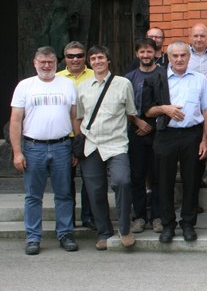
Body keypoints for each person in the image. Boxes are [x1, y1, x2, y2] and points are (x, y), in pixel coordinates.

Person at [142, 41, 207, 243]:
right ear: (169, 57)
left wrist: (204, 140)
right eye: (175, 56)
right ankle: (168, 224)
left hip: (192, 135)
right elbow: (147, 110)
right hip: (166, 135)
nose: (179, 59)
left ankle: (188, 223)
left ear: (189, 57)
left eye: (183, 55)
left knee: (192, 181)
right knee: (164, 181)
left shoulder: (200, 79)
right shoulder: (157, 78)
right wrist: (164, 109)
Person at [10, 46, 78, 255]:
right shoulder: (25, 86)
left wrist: (76, 148)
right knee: (33, 196)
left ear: (56, 63)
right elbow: (15, 120)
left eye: (50, 62)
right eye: (42, 62)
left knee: (65, 193)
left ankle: (65, 234)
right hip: (33, 147)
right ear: (35, 63)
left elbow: (75, 117)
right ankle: (33, 237)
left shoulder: (67, 84)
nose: (46, 65)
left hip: (62, 146)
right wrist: (17, 152)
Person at [76, 45, 137, 250]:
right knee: (95, 191)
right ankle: (103, 232)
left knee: (122, 181)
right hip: (91, 145)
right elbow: (79, 116)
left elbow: (130, 112)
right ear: (89, 62)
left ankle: (125, 229)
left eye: (100, 57)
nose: (97, 61)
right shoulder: (83, 86)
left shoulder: (123, 84)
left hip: (116, 144)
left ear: (108, 60)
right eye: (93, 58)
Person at [124, 38, 165, 234]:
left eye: (149, 51)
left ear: (155, 52)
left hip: (159, 133)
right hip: (136, 133)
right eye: (142, 52)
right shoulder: (129, 78)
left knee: (158, 176)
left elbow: (166, 102)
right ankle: (139, 216)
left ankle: (157, 216)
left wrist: (150, 125)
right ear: (137, 54)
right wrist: (137, 122)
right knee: (137, 176)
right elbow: (124, 104)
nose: (146, 55)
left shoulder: (164, 74)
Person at [56, 41, 95, 230]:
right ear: (65, 58)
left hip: (89, 135)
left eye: (79, 55)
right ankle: (68, 219)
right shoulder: (56, 78)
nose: (75, 59)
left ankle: (88, 217)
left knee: (89, 178)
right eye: (71, 56)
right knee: (65, 180)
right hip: (65, 136)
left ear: (85, 57)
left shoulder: (95, 75)